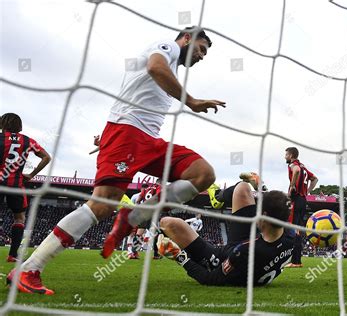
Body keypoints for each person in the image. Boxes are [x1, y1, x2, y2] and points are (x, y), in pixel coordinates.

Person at [7, 26, 225, 295]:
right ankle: (29, 269)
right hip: (128, 135)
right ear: (188, 38)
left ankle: (133, 216)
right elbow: (155, 67)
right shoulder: (167, 46)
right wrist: (190, 101)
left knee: (203, 174)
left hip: (146, 140)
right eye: (202, 48)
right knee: (100, 205)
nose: (202, 56)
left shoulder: (172, 65)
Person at [157, 181, 293, 286]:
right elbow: (279, 207)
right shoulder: (291, 236)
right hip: (252, 245)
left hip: (226, 257)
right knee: (243, 188)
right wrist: (260, 186)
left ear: (264, 215)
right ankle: (217, 197)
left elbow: (209, 279)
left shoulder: (243, 252)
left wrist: (179, 256)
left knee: (167, 223)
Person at [0, 113, 51, 262]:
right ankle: (12, 255)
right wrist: (32, 174)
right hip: (16, 185)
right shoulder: (28, 141)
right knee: (19, 219)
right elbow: (47, 157)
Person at [284, 147, 317, 268]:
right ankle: (296, 260)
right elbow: (315, 179)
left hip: (296, 198)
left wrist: (292, 186)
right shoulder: (303, 166)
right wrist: (307, 191)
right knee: (297, 229)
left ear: (291, 155)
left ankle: (295, 261)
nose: (285, 157)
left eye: (286, 154)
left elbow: (296, 171)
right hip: (303, 199)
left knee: (293, 229)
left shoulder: (294, 165)